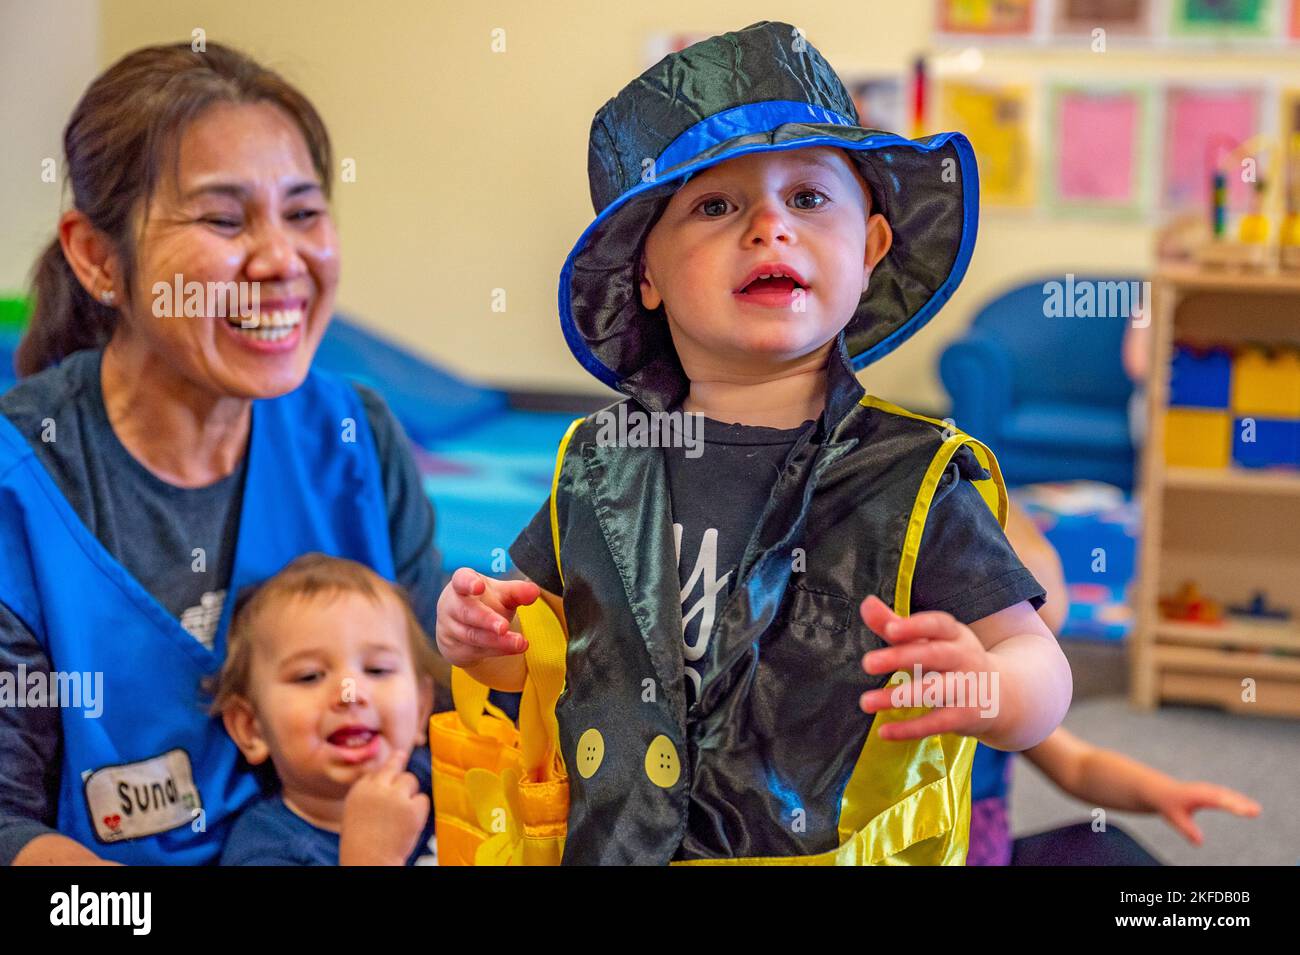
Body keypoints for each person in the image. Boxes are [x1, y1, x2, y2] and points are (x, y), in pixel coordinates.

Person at [435, 21, 1072, 864]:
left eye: (808, 198)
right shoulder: (600, 459)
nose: (770, 226)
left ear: (872, 246)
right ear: (648, 276)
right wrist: (483, 640)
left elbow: (1041, 665)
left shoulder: (912, 480)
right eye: (715, 204)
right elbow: (551, 654)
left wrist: (993, 688)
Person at [0, 43, 445, 866]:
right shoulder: (23, 486)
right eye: (224, 218)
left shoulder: (353, 439)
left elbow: (435, 718)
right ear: (100, 257)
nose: (282, 261)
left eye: (304, 213)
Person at [213, 554, 438, 866]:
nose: (350, 694)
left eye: (377, 669)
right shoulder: (264, 850)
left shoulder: (441, 779)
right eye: (310, 676)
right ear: (251, 728)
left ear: (421, 708)